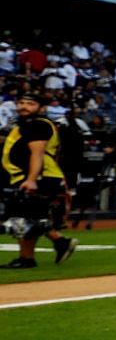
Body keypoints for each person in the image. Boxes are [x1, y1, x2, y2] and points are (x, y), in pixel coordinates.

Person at [2, 88, 76, 269]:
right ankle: (27, 258)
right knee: (28, 216)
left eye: (30, 104)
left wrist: (32, 179)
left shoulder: (38, 124)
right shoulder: (24, 125)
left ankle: (61, 242)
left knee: (23, 217)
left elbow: (38, 153)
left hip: (39, 176)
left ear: (41, 108)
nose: (24, 107)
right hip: (29, 176)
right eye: (21, 103)